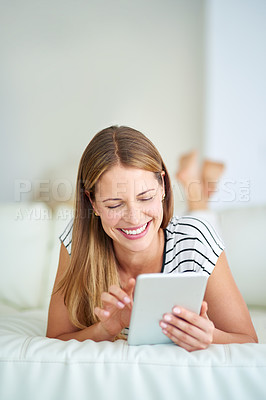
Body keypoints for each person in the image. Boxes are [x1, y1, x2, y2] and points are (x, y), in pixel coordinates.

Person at [46, 125, 257, 351]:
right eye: (114, 204)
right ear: (93, 203)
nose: (134, 218)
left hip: (187, 235)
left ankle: (198, 190)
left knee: (201, 218)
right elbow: (55, 338)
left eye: (145, 198)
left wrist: (210, 336)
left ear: (164, 186)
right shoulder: (77, 241)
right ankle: (199, 187)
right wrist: (105, 330)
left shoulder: (195, 240)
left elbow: (248, 340)